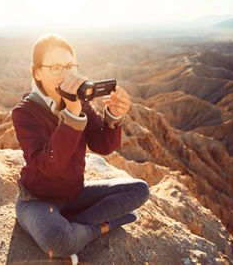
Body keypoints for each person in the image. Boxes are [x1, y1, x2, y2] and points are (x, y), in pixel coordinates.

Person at [11, 34, 149, 263]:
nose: (65, 74)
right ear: (37, 73)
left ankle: (75, 226)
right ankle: (103, 226)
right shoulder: (24, 113)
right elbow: (48, 166)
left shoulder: (80, 102)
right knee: (58, 241)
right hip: (37, 200)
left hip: (74, 194)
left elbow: (102, 145)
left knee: (140, 190)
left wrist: (114, 116)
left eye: (69, 66)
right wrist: (72, 115)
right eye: (55, 68)